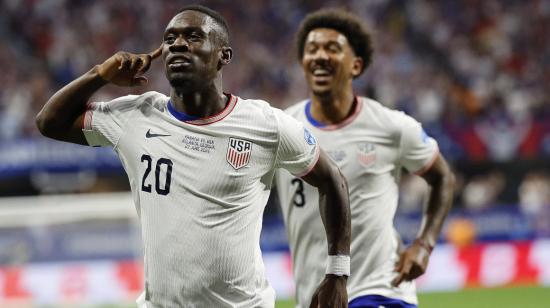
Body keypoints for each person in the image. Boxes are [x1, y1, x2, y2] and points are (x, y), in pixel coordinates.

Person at [36, 5, 351, 308]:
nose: (178, 45)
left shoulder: (265, 124)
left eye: (193, 36)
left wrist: (337, 273)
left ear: (223, 55)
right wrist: (99, 75)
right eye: (170, 39)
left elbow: (331, 178)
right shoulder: (136, 116)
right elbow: (49, 123)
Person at [275, 8, 455, 308]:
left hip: (380, 287)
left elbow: (442, 177)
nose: (320, 56)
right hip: (315, 295)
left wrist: (424, 243)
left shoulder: (391, 126)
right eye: (312, 49)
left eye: (332, 48)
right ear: (303, 63)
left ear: (356, 65)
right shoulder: (281, 129)